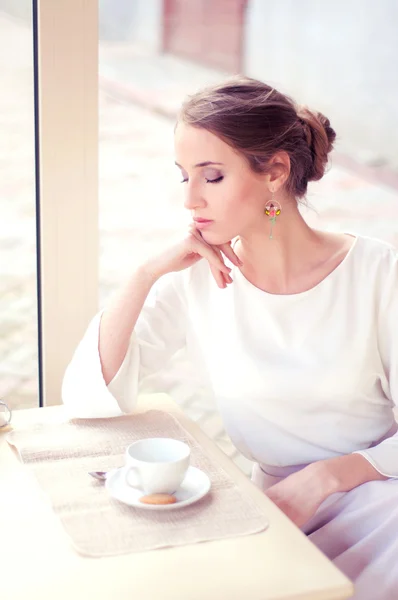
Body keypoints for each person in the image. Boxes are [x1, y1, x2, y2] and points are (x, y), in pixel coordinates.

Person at [62, 76, 398, 599]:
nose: (190, 199)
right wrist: (148, 272)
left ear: (276, 172)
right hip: (274, 511)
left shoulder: (379, 274)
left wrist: (327, 477)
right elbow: (89, 399)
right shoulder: (200, 279)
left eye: (212, 176)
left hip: (381, 503)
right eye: (184, 177)